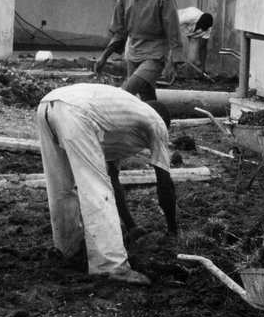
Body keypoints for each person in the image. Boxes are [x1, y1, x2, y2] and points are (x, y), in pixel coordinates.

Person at [35, 83, 178, 286]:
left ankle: (68, 248)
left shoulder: (120, 119)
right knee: (96, 188)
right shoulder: (156, 122)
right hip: (77, 110)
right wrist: (173, 230)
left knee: (60, 186)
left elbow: (114, 180)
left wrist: (131, 226)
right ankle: (113, 266)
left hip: (48, 104)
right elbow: (164, 182)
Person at [93, 0, 184, 101]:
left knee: (126, 93)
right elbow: (120, 31)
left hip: (155, 54)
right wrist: (104, 57)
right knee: (147, 97)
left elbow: (173, 29)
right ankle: (159, 122)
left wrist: (175, 61)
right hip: (134, 52)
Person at [177, 7, 214, 75]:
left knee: (192, 59)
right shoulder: (190, 16)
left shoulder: (207, 28)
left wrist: (203, 66)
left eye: (205, 28)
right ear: (199, 21)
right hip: (180, 28)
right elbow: (172, 25)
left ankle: (186, 75)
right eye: (202, 27)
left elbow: (203, 46)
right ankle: (169, 74)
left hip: (194, 36)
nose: (204, 29)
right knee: (172, 53)